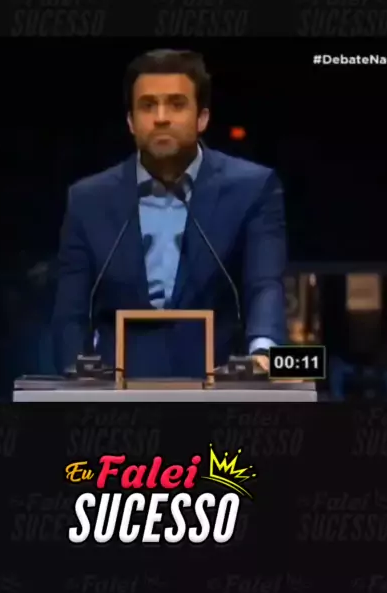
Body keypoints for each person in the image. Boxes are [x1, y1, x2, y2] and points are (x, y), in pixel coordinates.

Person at [52, 49, 287, 378]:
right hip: (115, 393)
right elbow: (71, 312)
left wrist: (264, 354)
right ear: (131, 122)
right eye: (148, 106)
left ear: (202, 118)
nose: (161, 117)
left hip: (220, 388)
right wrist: (75, 373)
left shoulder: (253, 188)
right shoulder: (88, 200)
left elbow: (264, 285)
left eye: (176, 104)